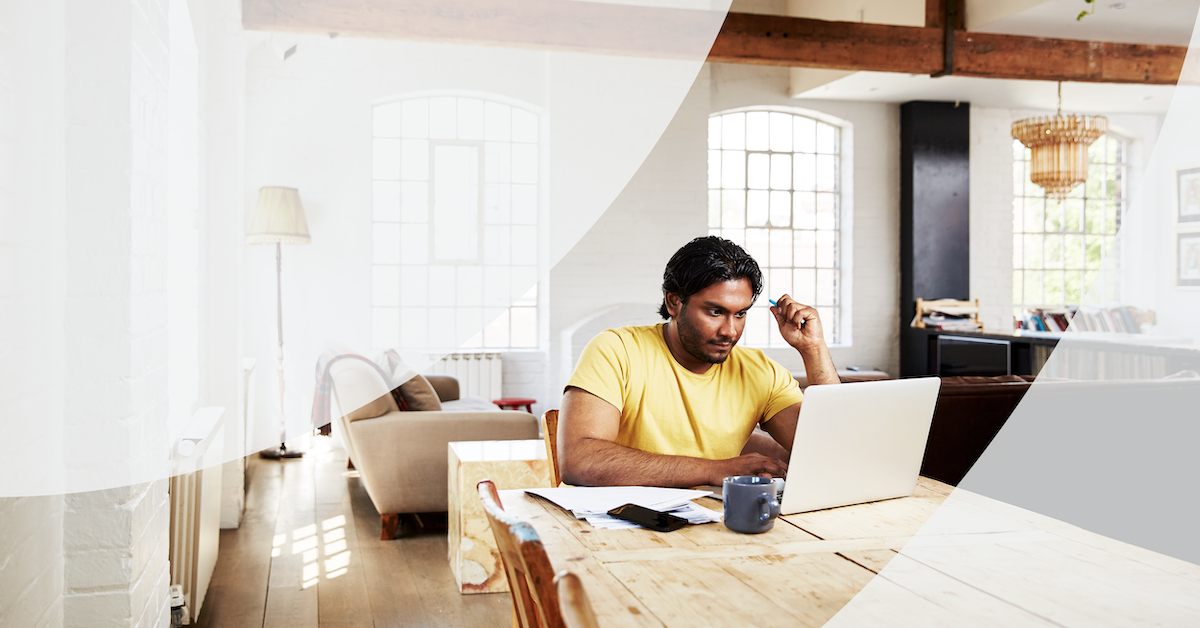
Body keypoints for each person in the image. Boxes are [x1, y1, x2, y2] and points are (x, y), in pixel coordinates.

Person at [559, 235, 839, 488]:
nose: (730, 330)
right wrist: (715, 470)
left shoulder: (760, 372)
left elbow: (831, 450)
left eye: (740, 314)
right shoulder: (616, 350)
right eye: (715, 311)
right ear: (674, 303)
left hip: (705, 526)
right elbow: (581, 461)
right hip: (608, 526)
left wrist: (813, 349)